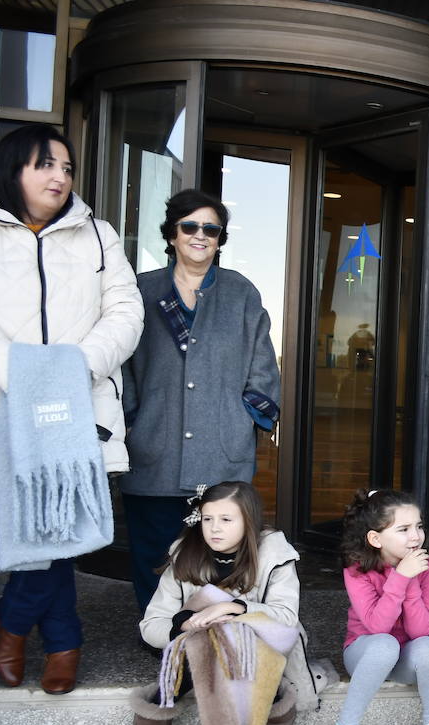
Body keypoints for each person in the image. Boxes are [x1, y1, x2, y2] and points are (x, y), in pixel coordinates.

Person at [0, 124, 142, 693]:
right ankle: (63, 636)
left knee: (65, 526)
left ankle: (17, 619)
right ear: (11, 169)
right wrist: (29, 377)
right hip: (3, 407)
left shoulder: (98, 234)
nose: (59, 176)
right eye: (45, 164)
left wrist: (73, 371)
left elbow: (125, 312)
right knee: (37, 528)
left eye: (67, 167)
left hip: (81, 404)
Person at [122, 189, 281, 615]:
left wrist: (243, 419)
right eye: (190, 226)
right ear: (172, 234)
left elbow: (263, 365)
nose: (200, 235)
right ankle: (158, 629)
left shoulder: (240, 292)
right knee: (154, 550)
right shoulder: (141, 289)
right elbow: (121, 365)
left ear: (220, 238)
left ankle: (213, 628)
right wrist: (132, 421)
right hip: (154, 445)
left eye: (211, 229)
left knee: (219, 549)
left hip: (221, 449)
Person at [133, 481, 301, 725]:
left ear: (248, 521)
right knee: (205, 639)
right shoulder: (184, 555)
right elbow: (151, 624)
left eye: (226, 520)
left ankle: (275, 712)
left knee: (235, 631)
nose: (214, 529)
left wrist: (234, 608)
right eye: (207, 519)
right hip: (196, 644)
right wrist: (183, 626)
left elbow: (287, 618)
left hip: (260, 643)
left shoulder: (275, 556)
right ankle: (153, 721)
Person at [331, 489, 429, 725]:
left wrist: (411, 579)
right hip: (365, 653)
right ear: (375, 538)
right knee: (385, 643)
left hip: (405, 658)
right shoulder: (357, 569)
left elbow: (421, 631)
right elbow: (378, 626)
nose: (416, 536)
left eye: (419, 526)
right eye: (403, 529)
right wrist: (400, 577)